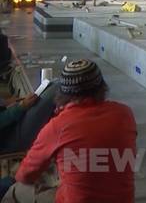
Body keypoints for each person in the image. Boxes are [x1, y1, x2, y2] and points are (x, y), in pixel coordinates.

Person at [8, 59, 136, 202]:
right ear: (102, 88)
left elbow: (25, 175)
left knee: (15, 190)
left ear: (62, 93)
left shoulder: (58, 126)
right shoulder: (125, 113)